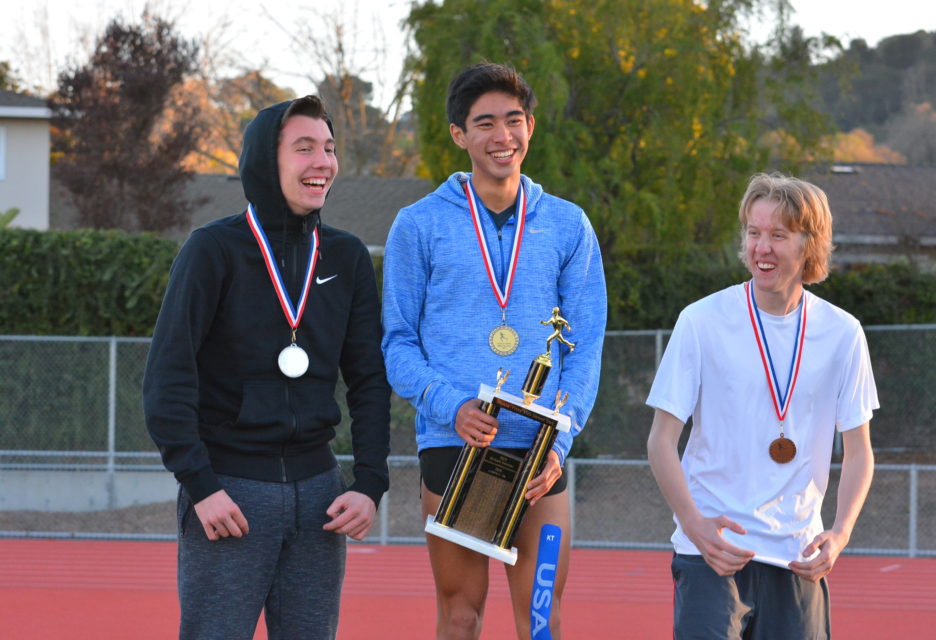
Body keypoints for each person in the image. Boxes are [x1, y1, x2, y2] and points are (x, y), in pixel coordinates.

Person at [143, 95, 391, 640]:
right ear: (265, 160)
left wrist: (370, 481)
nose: (322, 162)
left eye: (329, 148)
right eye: (304, 148)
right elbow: (168, 377)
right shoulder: (213, 250)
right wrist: (201, 485)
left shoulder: (347, 257)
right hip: (230, 495)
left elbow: (370, 378)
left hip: (320, 495)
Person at [381, 63, 607, 640]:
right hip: (454, 446)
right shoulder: (419, 225)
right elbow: (398, 343)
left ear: (530, 126)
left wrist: (562, 435)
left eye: (513, 120)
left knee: (542, 621)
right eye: (485, 123)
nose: (501, 135)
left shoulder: (568, 225)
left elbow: (583, 348)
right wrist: (449, 404)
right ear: (460, 135)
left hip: (539, 456)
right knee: (461, 616)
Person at [646, 173, 877, 639]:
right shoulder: (701, 321)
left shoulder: (843, 332)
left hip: (797, 555)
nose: (761, 248)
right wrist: (694, 524)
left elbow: (859, 451)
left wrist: (841, 531)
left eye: (778, 235)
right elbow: (660, 441)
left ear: (809, 244)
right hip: (713, 553)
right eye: (754, 233)